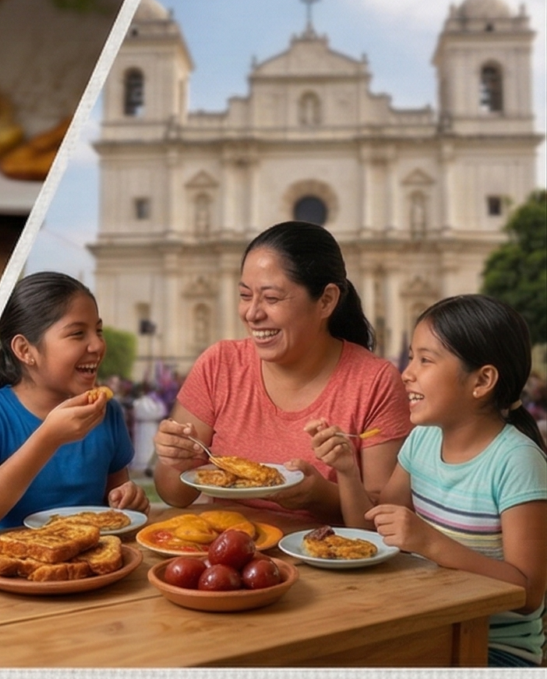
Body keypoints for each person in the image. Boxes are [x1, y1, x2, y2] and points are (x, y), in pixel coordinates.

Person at [312, 295, 545, 666]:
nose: (406, 372)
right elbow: (372, 533)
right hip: (429, 625)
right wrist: (346, 471)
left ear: (482, 380)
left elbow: (529, 592)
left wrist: (430, 543)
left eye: (426, 359)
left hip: (494, 649)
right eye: (410, 356)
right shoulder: (423, 440)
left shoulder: (517, 461)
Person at [150, 221, 410, 520]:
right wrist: (176, 457)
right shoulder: (219, 364)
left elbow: (384, 518)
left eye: (271, 298)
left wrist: (320, 497)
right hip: (228, 553)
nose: (252, 313)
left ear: (326, 300)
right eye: (245, 295)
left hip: (326, 557)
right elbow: (174, 494)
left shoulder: (374, 382)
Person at [0, 272, 145, 535]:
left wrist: (128, 498)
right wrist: (48, 438)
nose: (98, 344)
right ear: (25, 350)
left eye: (98, 331)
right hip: (10, 562)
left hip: (95, 560)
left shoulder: (107, 412)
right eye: (77, 333)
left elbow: (117, 502)